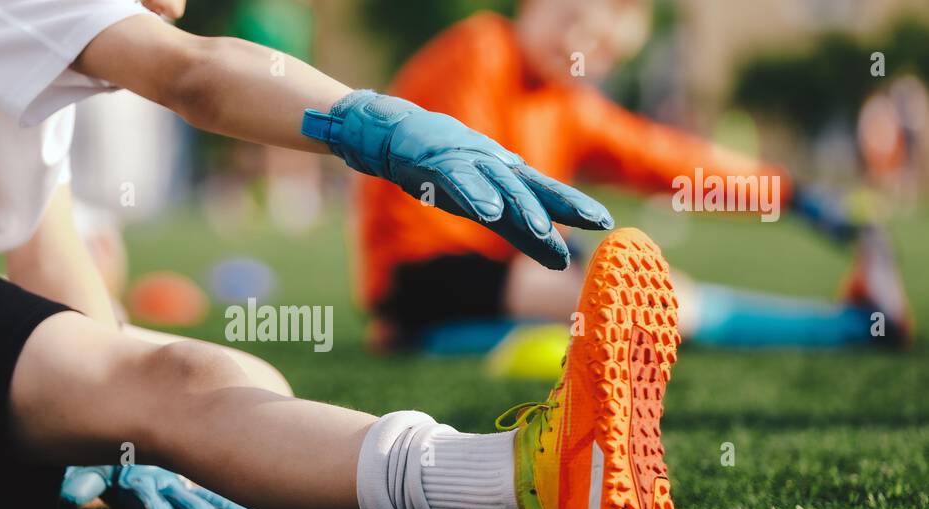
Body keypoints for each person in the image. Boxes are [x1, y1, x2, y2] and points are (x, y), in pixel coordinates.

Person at [0, 0, 674, 509]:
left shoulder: (28, 37)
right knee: (185, 389)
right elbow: (193, 75)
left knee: (227, 384)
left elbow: (45, 242)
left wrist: (119, 424)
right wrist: (370, 123)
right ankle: (526, 484)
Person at [356, 0, 912, 354]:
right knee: (652, 304)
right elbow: (463, 179)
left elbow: (667, 160)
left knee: (645, 310)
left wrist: (794, 195)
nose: (580, 48)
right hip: (428, 267)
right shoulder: (483, 47)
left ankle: (853, 325)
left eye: (601, 50)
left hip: (494, 273)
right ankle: (854, 329)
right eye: (573, 20)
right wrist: (567, 253)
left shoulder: (565, 102)